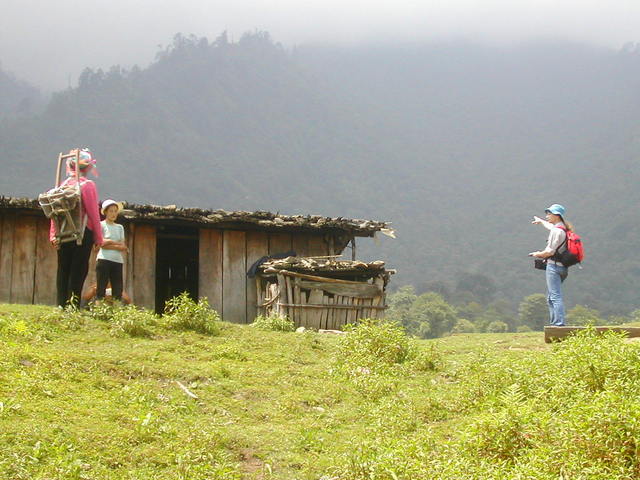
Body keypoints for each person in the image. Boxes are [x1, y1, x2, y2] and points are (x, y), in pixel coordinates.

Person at [51, 148, 103, 307]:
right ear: (87, 167)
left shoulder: (62, 185)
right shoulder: (88, 185)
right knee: (78, 270)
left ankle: (61, 305)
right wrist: (98, 237)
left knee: (63, 269)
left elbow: (54, 212)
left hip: (64, 232)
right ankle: (72, 306)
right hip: (82, 232)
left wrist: (53, 234)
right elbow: (93, 212)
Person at [529, 203, 573, 326]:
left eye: (550, 213)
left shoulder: (557, 232)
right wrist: (541, 221)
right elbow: (550, 227)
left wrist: (537, 254)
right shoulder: (563, 228)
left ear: (557, 215)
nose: (547, 215)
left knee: (554, 296)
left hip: (553, 267)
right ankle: (555, 323)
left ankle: (558, 324)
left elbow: (549, 252)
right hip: (563, 267)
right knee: (550, 297)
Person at [95, 199, 128, 303]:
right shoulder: (101, 225)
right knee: (101, 286)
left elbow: (123, 246)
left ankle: (117, 312)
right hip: (103, 259)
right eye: (111, 211)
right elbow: (101, 244)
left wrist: (109, 242)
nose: (114, 214)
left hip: (118, 261)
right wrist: (114, 243)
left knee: (118, 288)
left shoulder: (120, 227)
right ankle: (99, 310)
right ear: (105, 212)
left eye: (115, 211)